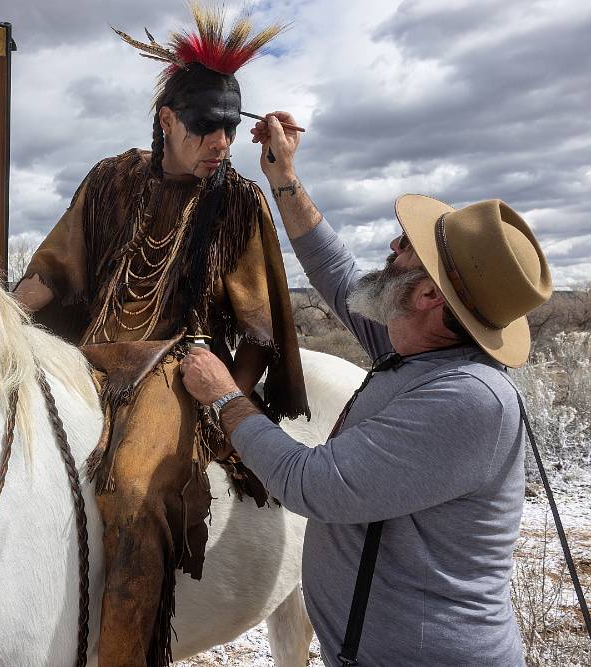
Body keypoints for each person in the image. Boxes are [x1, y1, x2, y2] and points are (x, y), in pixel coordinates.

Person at [180, 109, 553, 666]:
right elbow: (334, 267)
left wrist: (225, 398)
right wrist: (284, 177)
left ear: (426, 296)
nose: (392, 247)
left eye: (406, 248)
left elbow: (314, 487)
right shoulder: (415, 347)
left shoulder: (468, 400)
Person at [13, 7, 309, 666]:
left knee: (134, 489)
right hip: (86, 356)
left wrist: (228, 402)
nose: (222, 143)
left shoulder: (238, 202)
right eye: (207, 126)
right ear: (168, 119)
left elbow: (260, 325)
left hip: (179, 368)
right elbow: (52, 273)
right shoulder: (111, 179)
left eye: (230, 129)